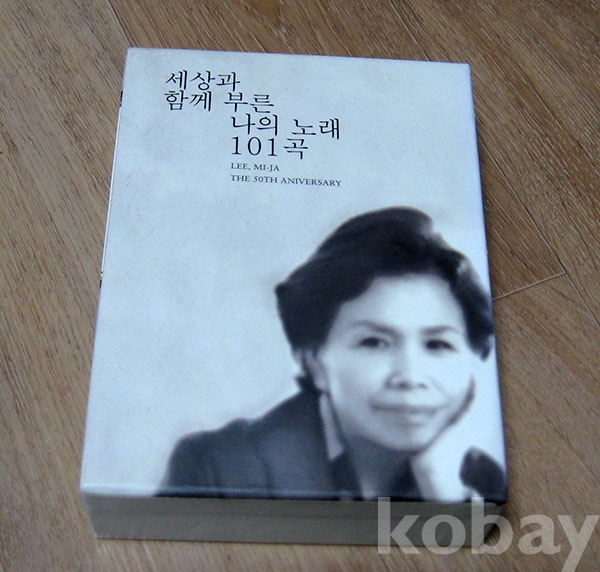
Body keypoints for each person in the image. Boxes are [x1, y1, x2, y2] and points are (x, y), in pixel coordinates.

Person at [159, 207, 506, 502]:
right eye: (374, 342)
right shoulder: (217, 466)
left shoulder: (481, 480)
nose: (410, 376)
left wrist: (442, 492)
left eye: (438, 345)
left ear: (475, 359)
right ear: (313, 361)